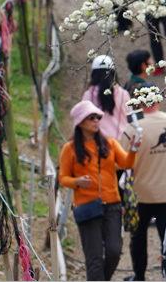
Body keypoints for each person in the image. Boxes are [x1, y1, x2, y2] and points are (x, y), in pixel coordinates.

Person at [59, 100, 140, 281]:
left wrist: (133, 149)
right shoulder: (70, 149)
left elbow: (127, 163)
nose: (96, 121)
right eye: (91, 118)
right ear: (80, 122)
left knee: (114, 250)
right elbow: (62, 177)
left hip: (112, 204)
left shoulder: (110, 143)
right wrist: (77, 182)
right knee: (94, 258)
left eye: (98, 117)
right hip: (87, 206)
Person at [127, 83, 166, 281]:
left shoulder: (132, 126)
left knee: (137, 239)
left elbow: (123, 160)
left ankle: (139, 276)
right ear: (158, 99)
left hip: (140, 193)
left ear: (137, 101)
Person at [83, 55, 132, 144]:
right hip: (122, 143)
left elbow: (84, 119)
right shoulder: (123, 94)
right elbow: (130, 118)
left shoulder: (89, 95)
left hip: (99, 143)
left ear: (94, 74)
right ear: (113, 73)